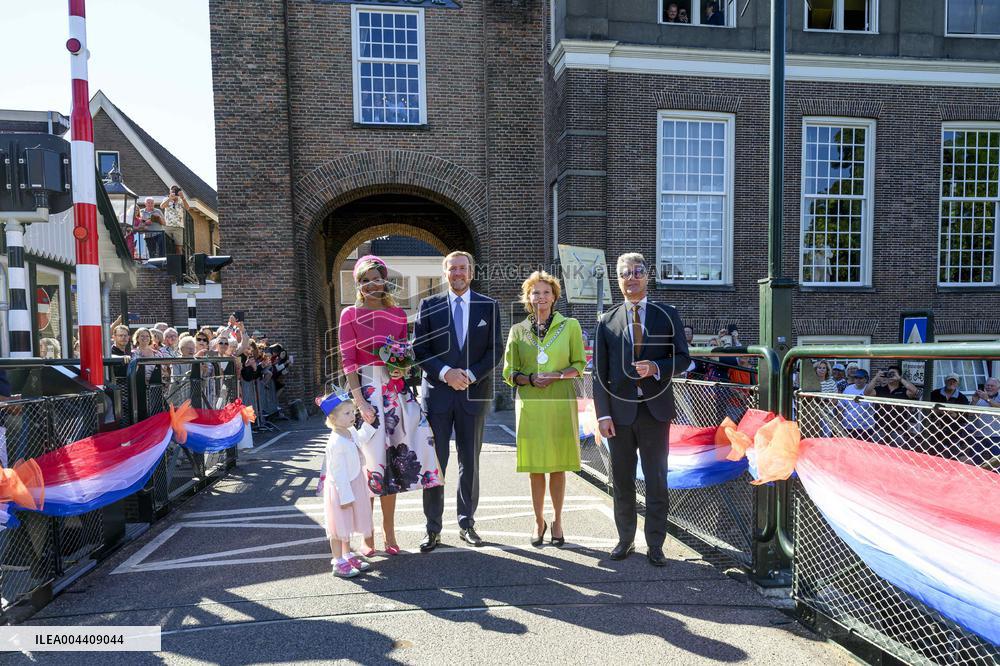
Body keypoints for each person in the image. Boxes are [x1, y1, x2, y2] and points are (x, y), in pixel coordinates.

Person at [593, 252, 690, 567]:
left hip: (654, 411)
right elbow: (599, 374)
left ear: (648, 277)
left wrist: (657, 367)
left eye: (637, 272)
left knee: (656, 479)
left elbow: (684, 358)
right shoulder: (606, 321)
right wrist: (603, 415)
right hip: (618, 416)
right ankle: (625, 540)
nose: (631, 277)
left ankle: (656, 544)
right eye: (625, 273)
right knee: (621, 480)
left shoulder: (667, 314)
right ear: (618, 280)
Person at [340, 255, 436, 556]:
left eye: (376, 277)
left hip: (394, 394)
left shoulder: (396, 313)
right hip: (366, 394)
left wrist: (400, 369)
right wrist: (359, 403)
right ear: (358, 284)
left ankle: (389, 533)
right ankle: (366, 534)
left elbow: (403, 355)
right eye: (365, 280)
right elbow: (348, 362)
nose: (371, 284)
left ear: (385, 280)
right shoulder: (349, 315)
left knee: (394, 464)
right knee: (371, 466)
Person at [413, 250, 502, 552]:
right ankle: (432, 528)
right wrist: (445, 372)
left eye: (463, 268)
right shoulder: (429, 306)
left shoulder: (488, 306)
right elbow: (420, 351)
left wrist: (471, 375)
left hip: (473, 395)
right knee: (436, 465)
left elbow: (495, 350)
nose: (458, 273)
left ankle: (467, 523)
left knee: (470, 463)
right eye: (452, 269)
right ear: (445, 273)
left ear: (471, 272)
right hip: (437, 395)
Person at [502, 271, 585, 547]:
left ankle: (558, 520)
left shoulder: (570, 326)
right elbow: (509, 372)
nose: (541, 297)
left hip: (560, 399)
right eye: (535, 292)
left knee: (558, 466)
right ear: (528, 297)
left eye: (546, 292)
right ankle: (538, 521)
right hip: (531, 402)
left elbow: (580, 365)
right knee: (536, 467)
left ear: (554, 296)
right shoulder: (518, 330)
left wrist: (557, 376)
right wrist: (528, 379)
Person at [318, 390, 374, 578]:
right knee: (337, 527)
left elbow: (361, 438)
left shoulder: (350, 432)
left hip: (353, 481)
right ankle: (337, 561)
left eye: (353, 411)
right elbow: (338, 472)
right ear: (333, 418)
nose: (353, 416)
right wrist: (345, 496)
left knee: (347, 524)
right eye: (347, 413)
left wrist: (370, 424)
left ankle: (347, 554)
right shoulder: (336, 442)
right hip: (341, 488)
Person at [840, 368, 875, 439]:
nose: (858, 380)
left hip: (866, 427)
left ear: (866, 379)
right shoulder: (848, 389)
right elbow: (841, 406)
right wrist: (839, 423)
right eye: (856, 378)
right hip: (848, 425)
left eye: (860, 378)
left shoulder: (871, 390)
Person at [160, 186, 190, 252]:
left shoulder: (181, 200)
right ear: (170, 192)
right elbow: (162, 206)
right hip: (167, 226)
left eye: (175, 191)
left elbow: (187, 208)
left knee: (178, 247)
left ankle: (179, 262)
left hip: (178, 226)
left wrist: (183, 198)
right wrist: (169, 199)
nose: (174, 192)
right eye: (172, 191)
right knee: (166, 246)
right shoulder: (166, 199)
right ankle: (168, 261)